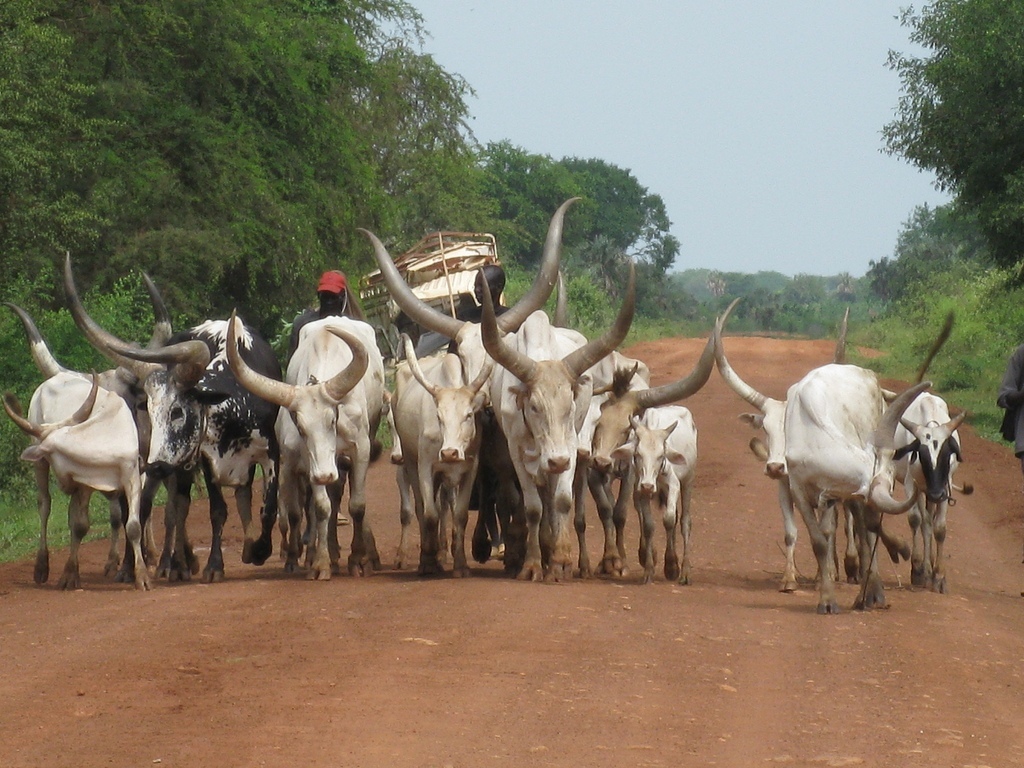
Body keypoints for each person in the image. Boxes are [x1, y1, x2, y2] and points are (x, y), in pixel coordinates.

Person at [288, 270, 363, 363]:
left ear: (342, 297)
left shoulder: (354, 327)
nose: (329, 301)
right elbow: (293, 362)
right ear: (319, 296)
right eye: (325, 296)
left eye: (333, 297)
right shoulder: (302, 325)